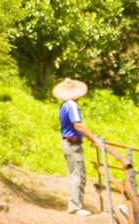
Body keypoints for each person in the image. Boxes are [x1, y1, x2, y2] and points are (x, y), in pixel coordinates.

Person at [53, 78, 100, 216]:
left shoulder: (63, 106)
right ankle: (76, 206)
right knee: (78, 175)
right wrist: (93, 138)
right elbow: (77, 125)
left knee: (74, 174)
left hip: (67, 143)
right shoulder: (72, 105)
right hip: (72, 144)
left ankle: (75, 204)